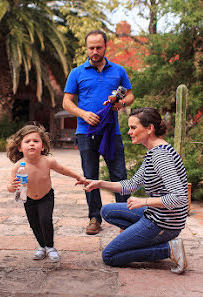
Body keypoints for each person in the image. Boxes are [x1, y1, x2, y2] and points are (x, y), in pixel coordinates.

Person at [79, 107, 189, 274]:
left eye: (133, 127)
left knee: (109, 255)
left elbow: (180, 197)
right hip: (158, 214)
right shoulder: (153, 152)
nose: (129, 132)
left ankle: (167, 249)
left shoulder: (161, 156)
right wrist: (99, 183)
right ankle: (149, 240)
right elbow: (130, 185)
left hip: (165, 222)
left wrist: (143, 201)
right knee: (108, 211)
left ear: (149, 128)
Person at [63, 29, 135, 235]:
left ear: (105, 47)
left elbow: (129, 96)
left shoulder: (119, 70)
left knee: (120, 175)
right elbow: (66, 102)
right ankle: (95, 218)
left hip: (112, 132)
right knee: (89, 175)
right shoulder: (77, 73)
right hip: (85, 132)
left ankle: (125, 220)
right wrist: (84, 114)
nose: (95, 51)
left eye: (98, 47)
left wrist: (121, 104)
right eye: (91, 48)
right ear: (86, 48)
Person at [6, 123, 87, 263]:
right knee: (34, 223)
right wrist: (12, 187)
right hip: (28, 198)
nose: (32, 144)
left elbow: (62, 169)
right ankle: (41, 246)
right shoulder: (18, 166)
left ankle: (50, 247)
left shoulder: (47, 161)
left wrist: (78, 177)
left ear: (42, 146)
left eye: (36, 141)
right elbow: (10, 186)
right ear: (20, 147)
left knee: (45, 220)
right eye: (27, 141)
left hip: (46, 196)